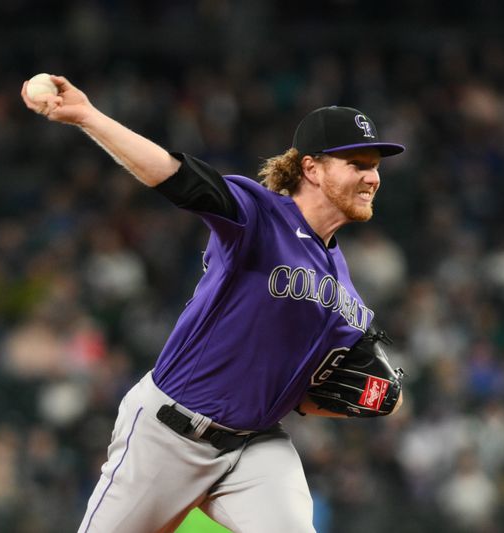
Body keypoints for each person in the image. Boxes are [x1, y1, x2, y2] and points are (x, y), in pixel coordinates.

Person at [21, 74, 405, 533]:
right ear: (312, 169)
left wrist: (376, 398)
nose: (372, 177)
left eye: (375, 165)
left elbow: (312, 391)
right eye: (357, 163)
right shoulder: (258, 216)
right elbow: (173, 174)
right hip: (168, 434)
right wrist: (88, 116)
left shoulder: (345, 290)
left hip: (255, 448)